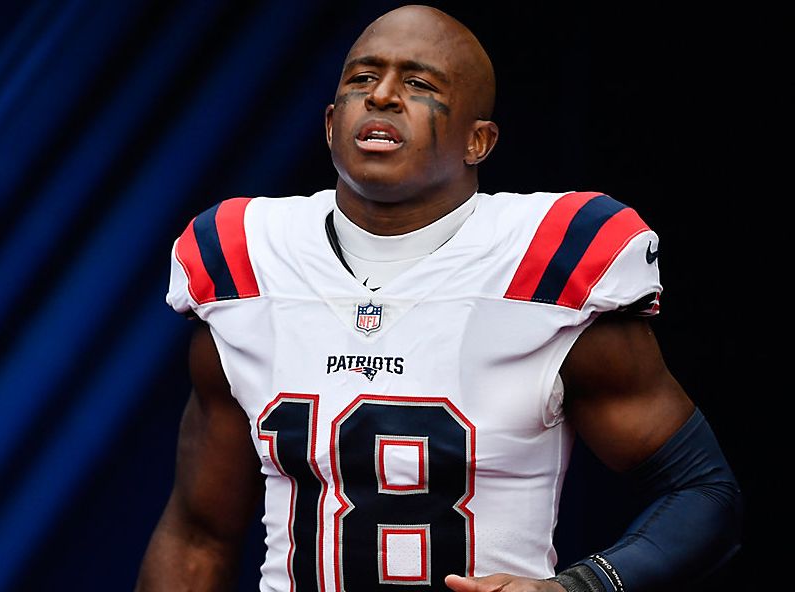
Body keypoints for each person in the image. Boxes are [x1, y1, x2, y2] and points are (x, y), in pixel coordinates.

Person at [135, 5, 742, 591]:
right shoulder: (248, 262)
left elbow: (703, 494)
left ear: (478, 141)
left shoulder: (548, 264)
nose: (381, 96)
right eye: (363, 78)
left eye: (419, 83)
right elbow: (198, 535)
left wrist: (577, 587)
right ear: (328, 123)